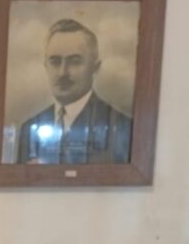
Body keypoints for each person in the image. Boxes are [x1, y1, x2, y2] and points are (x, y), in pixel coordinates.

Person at [17, 18, 132, 165]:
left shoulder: (121, 126)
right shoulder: (30, 128)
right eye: (55, 62)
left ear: (95, 68)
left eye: (74, 61)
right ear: (46, 66)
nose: (62, 73)